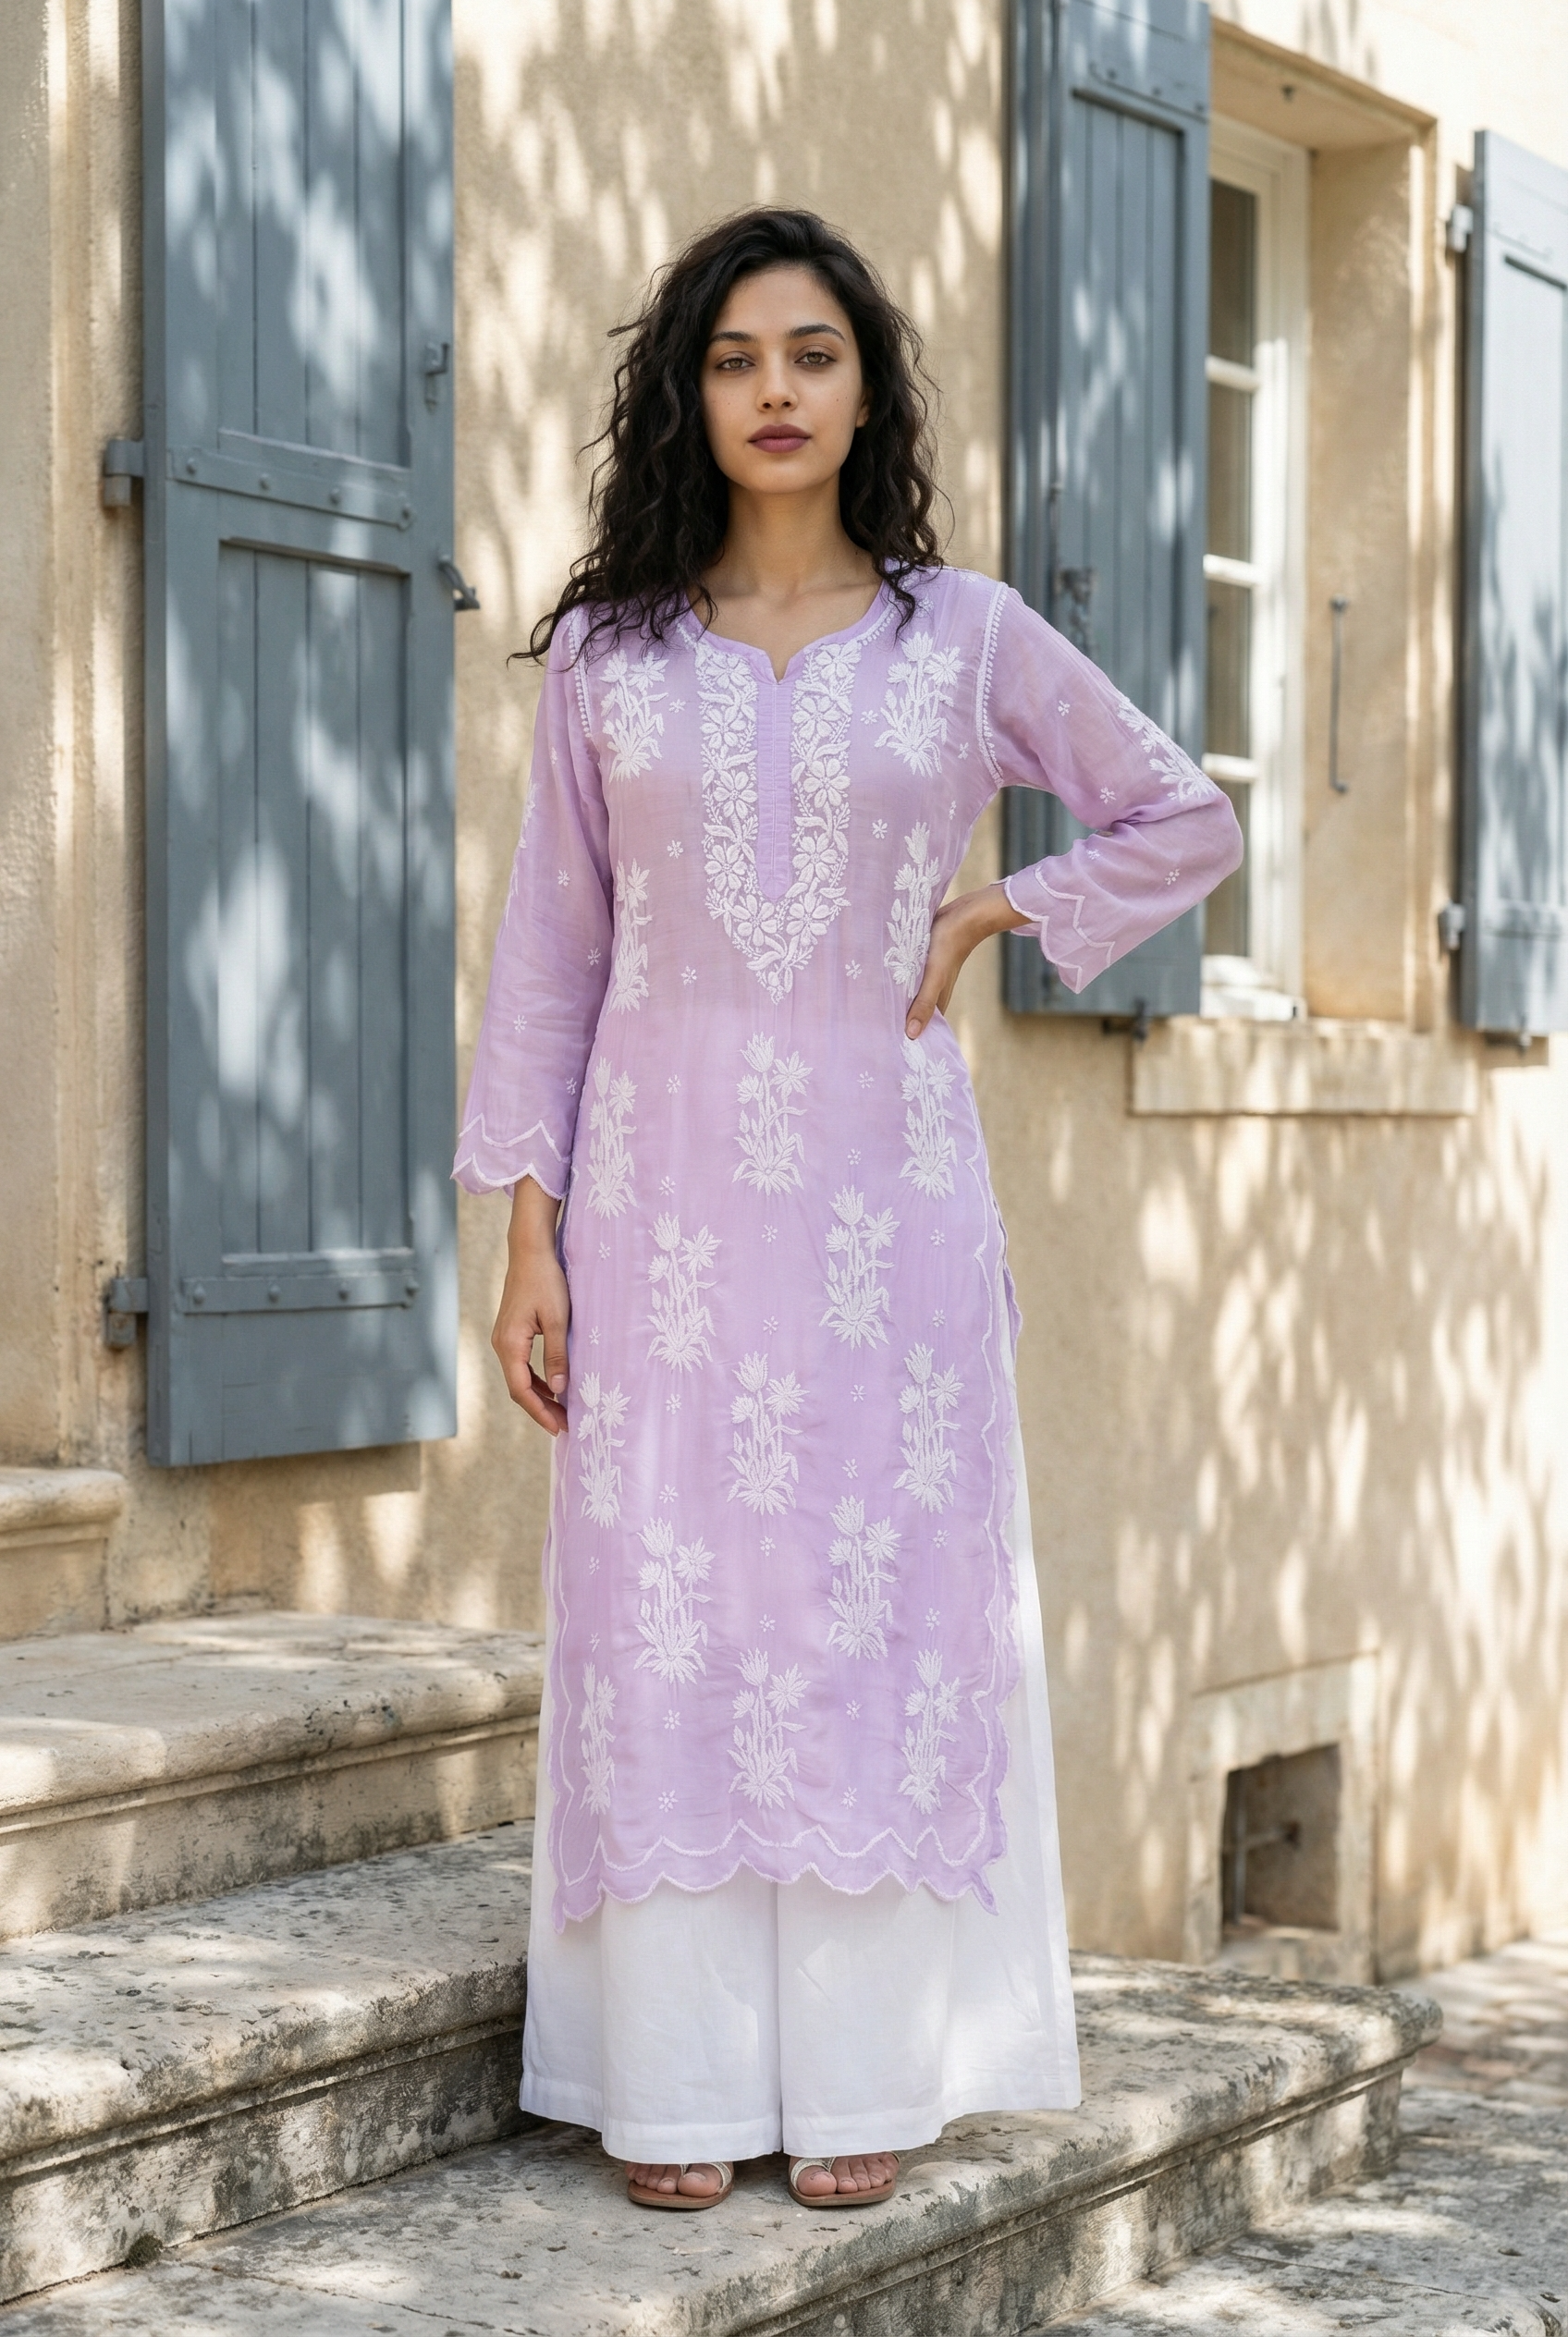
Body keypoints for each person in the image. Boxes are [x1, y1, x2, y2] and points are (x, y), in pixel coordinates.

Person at [454, 207, 1241, 2213]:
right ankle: (676, 2088)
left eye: (811, 353)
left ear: (867, 386)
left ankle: (871, 2067)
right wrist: (529, 1230)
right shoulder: (614, 657)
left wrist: (1005, 908)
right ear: (689, 398)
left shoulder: (958, 636)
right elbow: (549, 951)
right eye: (733, 359)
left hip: (885, 1218)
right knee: (670, 1600)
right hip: (659, 1214)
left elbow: (1185, 814)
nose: (775, 391)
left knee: (871, 1595)